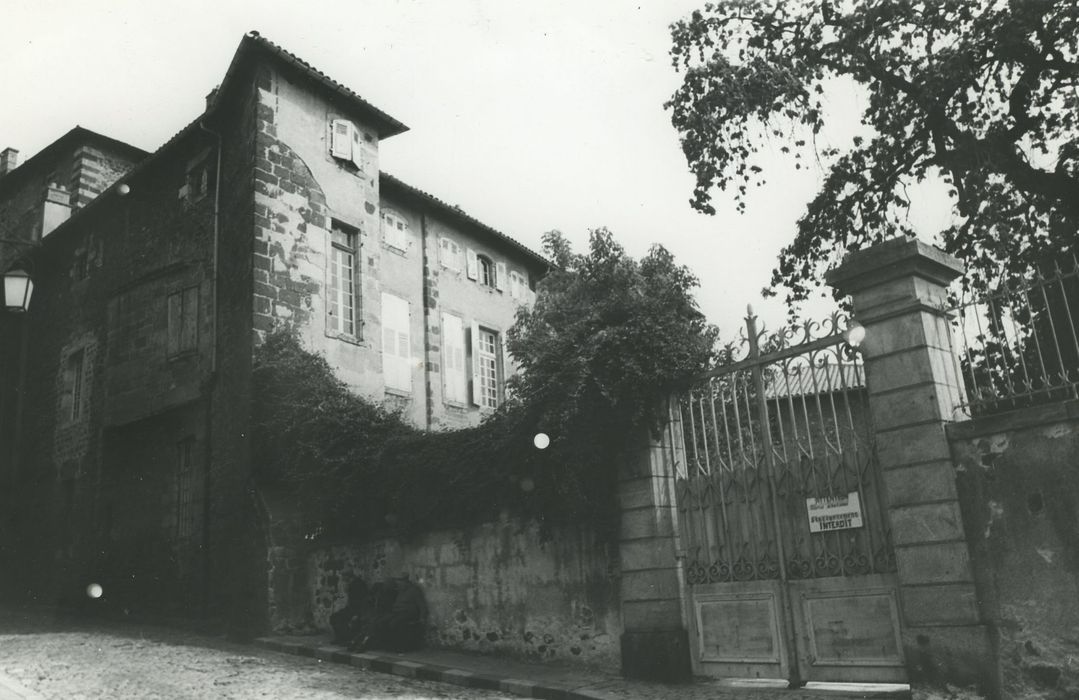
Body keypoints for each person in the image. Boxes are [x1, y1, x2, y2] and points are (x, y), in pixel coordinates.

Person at [354, 575, 428, 652]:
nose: (399, 584)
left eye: (400, 582)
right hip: (396, 612)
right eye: (398, 582)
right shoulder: (400, 590)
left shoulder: (414, 590)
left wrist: (422, 618)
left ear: (406, 582)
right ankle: (386, 645)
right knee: (381, 621)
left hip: (407, 613)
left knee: (394, 623)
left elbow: (422, 605)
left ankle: (397, 647)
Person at [329, 576, 367, 646]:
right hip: (350, 609)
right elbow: (349, 604)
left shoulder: (360, 591)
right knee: (334, 617)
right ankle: (340, 638)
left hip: (358, 611)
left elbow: (363, 605)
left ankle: (347, 639)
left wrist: (357, 614)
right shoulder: (351, 590)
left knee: (348, 620)